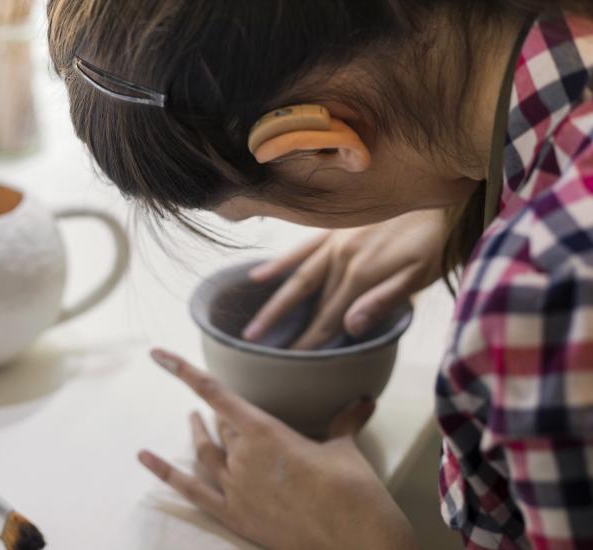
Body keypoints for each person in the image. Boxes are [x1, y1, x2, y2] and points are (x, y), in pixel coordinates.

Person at [47, 1, 593, 548]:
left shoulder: (540, 290)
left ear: (322, 145)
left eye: (258, 210)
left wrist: (363, 538)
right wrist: (468, 183)